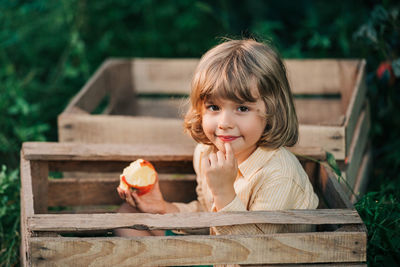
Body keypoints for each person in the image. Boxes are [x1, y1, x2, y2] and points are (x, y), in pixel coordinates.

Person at [115, 38, 319, 238]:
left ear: (273, 111)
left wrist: (224, 193)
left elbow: (254, 251)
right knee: (127, 215)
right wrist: (163, 208)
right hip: (218, 249)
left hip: (264, 257)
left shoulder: (278, 174)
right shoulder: (206, 153)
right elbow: (206, 215)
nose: (224, 123)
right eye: (214, 107)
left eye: (242, 108)